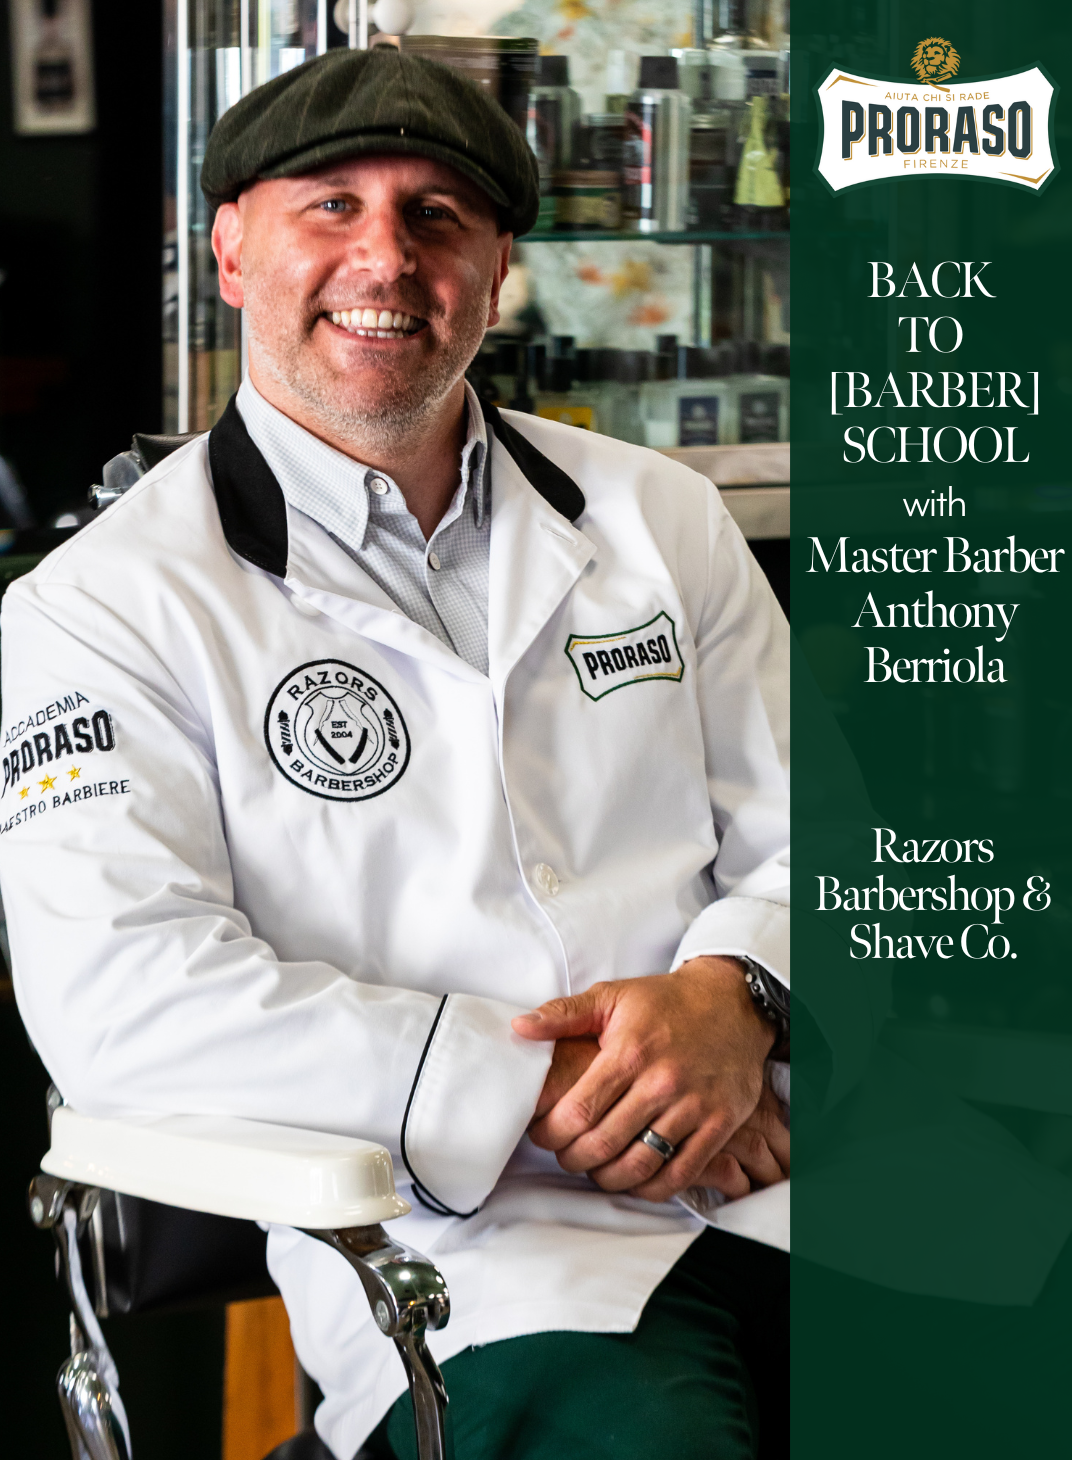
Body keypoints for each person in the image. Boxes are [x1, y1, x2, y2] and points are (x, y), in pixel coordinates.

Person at [0, 48, 790, 1460]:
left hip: (781, 1157)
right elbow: (123, 992)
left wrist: (739, 998)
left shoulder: (657, 515)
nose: (388, 255)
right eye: (331, 207)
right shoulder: (101, 606)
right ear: (231, 249)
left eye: (437, 215)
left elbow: (819, 830)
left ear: (497, 268)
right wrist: (548, 1092)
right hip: (471, 1251)